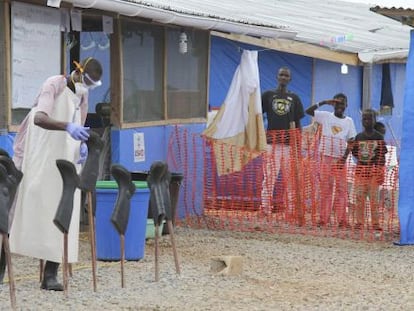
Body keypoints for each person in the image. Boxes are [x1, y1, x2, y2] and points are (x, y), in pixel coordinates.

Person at [9, 57, 103, 290]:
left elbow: (79, 122)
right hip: (38, 151)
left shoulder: (83, 95)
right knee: (18, 205)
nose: (88, 87)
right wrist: (68, 127)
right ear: (78, 73)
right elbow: (40, 118)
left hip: (64, 155)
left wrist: (80, 144)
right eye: (88, 82)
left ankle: (50, 274)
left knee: (63, 209)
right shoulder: (54, 84)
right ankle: (3, 265)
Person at [260, 66, 305, 225]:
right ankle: (265, 209)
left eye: (286, 75)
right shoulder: (268, 95)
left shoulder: (295, 98)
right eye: (281, 75)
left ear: (290, 79)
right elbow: (258, 114)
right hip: (271, 143)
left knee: (291, 179)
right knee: (269, 177)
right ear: (277, 77)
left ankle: (291, 210)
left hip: (288, 145)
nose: (284, 77)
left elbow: (298, 122)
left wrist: (298, 144)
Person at [305, 93, 356, 227]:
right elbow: (308, 111)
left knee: (341, 190)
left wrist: (343, 159)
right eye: (337, 103)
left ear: (346, 105)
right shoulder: (325, 116)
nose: (340, 105)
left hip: (340, 160)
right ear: (333, 104)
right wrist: (324, 101)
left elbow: (351, 141)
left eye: (342, 103)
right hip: (325, 158)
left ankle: (342, 220)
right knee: (326, 188)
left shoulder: (349, 121)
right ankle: (324, 219)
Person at [344, 109, 387, 231]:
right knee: (359, 198)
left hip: (374, 173)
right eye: (364, 119)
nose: (367, 121)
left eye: (369, 118)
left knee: (374, 200)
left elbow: (381, 156)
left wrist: (380, 170)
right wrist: (351, 148)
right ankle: (359, 222)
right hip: (361, 172)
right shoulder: (359, 136)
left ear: (374, 120)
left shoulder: (378, 137)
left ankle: (375, 224)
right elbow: (356, 153)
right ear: (362, 121)